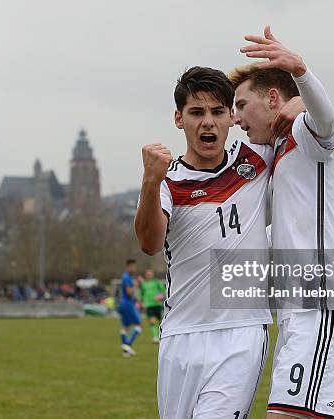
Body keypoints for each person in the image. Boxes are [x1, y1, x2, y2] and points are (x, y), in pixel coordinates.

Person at [135, 65, 298, 419]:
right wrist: (149, 182)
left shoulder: (257, 159)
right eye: (196, 112)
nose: (207, 122)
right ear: (179, 119)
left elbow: (315, 126)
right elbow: (149, 243)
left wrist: (298, 96)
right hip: (181, 335)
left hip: (242, 333)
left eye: (217, 111)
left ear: (231, 117)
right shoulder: (167, 182)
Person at [230, 26, 334, 419]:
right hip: (299, 310)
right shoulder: (278, 152)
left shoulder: (302, 131)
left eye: (241, 105)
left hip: (325, 302)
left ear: (274, 98)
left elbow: (325, 121)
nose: (237, 117)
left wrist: (301, 72)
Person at [118, 259, 142, 356]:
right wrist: (136, 285)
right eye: (133, 267)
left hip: (123, 303)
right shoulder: (127, 277)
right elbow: (129, 292)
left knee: (125, 327)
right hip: (127, 304)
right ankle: (128, 345)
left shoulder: (125, 276)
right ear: (128, 267)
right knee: (138, 325)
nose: (134, 269)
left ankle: (125, 352)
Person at [138, 269, 166, 343]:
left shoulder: (156, 282)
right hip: (148, 305)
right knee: (152, 321)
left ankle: (162, 335)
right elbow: (141, 294)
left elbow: (163, 291)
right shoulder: (143, 284)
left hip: (157, 304)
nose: (149, 275)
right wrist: (140, 302)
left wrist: (160, 296)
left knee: (160, 321)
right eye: (147, 274)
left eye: (150, 274)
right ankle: (155, 337)